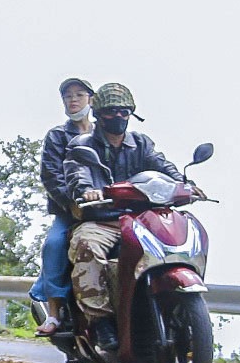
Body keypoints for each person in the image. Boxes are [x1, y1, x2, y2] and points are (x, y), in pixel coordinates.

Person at [63, 83, 188, 339]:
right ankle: (99, 321)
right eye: (110, 112)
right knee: (87, 245)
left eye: (123, 112)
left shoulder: (141, 144)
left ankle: (174, 310)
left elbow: (162, 166)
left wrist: (186, 186)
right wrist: (88, 190)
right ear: (98, 115)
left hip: (141, 219)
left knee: (175, 242)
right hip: (102, 221)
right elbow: (78, 174)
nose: (118, 117)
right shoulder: (83, 146)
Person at [31, 77, 94, 335]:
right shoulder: (58, 135)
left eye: (79, 94)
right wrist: (71, 203)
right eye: (68, 96)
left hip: (109, 209)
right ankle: (54, 314)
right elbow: (51, 176)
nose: (74, 99)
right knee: (55, 245)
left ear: (92, 99)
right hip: (71, 212)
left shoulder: (105, 133)